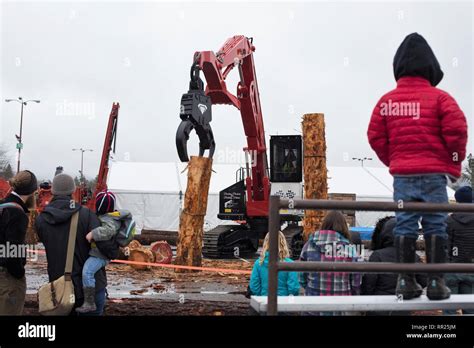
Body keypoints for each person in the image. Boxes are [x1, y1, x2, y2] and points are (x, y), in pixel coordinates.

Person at [367, 33, 468, 301]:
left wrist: (395, 160)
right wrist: (454, 164)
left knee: (405, 224)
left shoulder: (386, 102)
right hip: (434, 175)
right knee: (436, 224)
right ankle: (435, 282)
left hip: (403, 176)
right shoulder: (441, 99)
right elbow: (457, 130)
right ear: (432, 67)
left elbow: (375, 137)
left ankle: (405, 281)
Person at [36, 173, 107, 315]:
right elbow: (105, 247)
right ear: (73, 191)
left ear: (52, 191)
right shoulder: (86, 215)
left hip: (60, 291)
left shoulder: (41, 220)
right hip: (89, 290)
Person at [76, 190, 132, 313]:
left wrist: (93, 233)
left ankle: (89, 302)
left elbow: (109, 231)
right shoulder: (107, 217)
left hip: (99, 256)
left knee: (87, 272)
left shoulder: (109, 220)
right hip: (98, 254)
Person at [299, 211, 361, 315]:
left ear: (324, 224)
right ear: (344, 227)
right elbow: (356, 283)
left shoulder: (308, 246)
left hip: (313, 308)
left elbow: (302, 278)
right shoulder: (349, 249)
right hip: (340, 308)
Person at [361, 216, 427, 315]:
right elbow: (424, 281)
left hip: (379, 307)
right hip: (403, 308)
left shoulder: (377, 255)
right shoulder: (413, 257)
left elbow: (368, 285)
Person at [0, 170, 37, 315]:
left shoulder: (2, 206)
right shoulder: (18, 213)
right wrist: (19, 273)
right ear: (32, 191)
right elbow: (12, 250)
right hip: (7, 278)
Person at [445, 186, 474, 314]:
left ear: (457, 200)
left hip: (451, 268)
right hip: (470, 268)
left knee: (449, 310)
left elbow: (445, 246)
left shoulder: (449, 221)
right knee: (470, 308)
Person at [249, 232, 299, 297]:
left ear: (266, 243)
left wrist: (261, 296)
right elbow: (293, 288)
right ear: (283, 243)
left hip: (265, 299)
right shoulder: (290, 264)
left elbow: (254, 286)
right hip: (283, 300)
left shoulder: (259, 263)